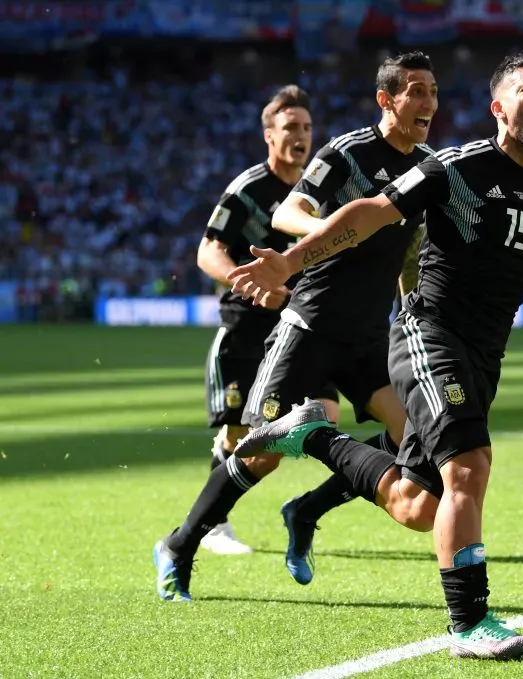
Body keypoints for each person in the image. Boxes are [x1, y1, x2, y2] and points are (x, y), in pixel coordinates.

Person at [228, 50, 523, 660]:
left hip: (485, 354)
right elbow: (369, 214)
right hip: (430, 335)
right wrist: (290, 262)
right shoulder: (453, 168)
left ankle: (314, 437)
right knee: (470, 466)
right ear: (499, 107)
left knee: (417, 504)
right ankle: (471, 624)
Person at [152, 52, 437, 601]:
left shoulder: (424, 168)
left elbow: (408, 256)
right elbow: (287, 213)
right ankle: (180, 544)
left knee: (415, 439)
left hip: (369, 337)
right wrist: (339, 229)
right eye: (416, 91)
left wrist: (413, 317)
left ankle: (306, 510)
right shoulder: (346, 153)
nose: (428, 103)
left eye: (432, 91)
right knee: (262, 451)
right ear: (387, 100)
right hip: (310, 323)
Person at [191, 85, 339, 556]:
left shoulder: (317, 191)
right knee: (237, 434)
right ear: (269, 136)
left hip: (295, 330)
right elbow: (207, 250)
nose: (301, 136)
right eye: (290, 127)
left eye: (307, 128)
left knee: (323, 416)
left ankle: (306, 509)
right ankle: (213, 525)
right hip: (245, 332)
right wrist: (250, 284)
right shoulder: (248, 188)